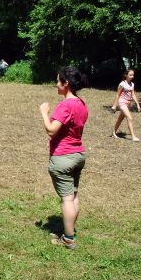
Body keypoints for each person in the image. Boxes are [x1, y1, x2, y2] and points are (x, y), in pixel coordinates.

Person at [39, 66, 88, 250]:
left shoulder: (65, 105)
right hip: (78, 155)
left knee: (67, 199)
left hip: (63, 157)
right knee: (73, 196)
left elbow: (51, 130)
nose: (56, 83)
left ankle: (68, 239)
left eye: (58, 80)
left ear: (66, 83)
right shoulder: (81, 104)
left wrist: (44, 112)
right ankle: (70, 231)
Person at [111, 69, 141, 142]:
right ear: (126, 75)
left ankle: (113, 132)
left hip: (128, 103)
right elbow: (118, 95)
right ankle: (133, 137)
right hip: (122, 103)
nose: (132, 76)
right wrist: (114, 105)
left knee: (120, 119)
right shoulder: (122, 84)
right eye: (130, 75)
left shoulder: (132, 84)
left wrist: (137, 104)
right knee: (130, 118)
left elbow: (133, 94)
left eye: (133, 75)